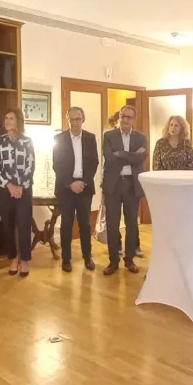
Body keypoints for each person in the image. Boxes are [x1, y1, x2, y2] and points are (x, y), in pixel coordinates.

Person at [102, 105, 147, 275]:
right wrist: (131, 156)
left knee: (131, 224)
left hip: (131, 185)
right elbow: (110, 158)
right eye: (122, 116)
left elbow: (141, 157)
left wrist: (120, 154)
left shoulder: (141, 138)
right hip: (113, 185)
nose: (125, 119)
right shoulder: (109, 136)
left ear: (134, 119)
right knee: (112, 224)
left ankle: (129, 259)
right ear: (118, 117)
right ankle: (113, 261)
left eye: (129, 117)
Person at [53, 107, 98, 273]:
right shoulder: (59, 139)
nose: (75, 122)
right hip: (66, 189)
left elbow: (94, 163)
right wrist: (70, 183)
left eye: (78, 119)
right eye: (72, 119)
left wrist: (83, 183)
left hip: (85, 188)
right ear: (68, 120)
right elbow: (56, 164)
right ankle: (66, 260)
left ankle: (88, 257)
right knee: (66, 224)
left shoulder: (91, 138)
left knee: (85, 224)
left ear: (83, 119)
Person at [0, 108, 35, 277]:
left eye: (11, 118)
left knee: (24, 224)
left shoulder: (27, 142)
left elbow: (30, 166)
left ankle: (25, 260)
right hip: (5, 189)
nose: (8, 121)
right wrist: (9, 186)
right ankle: (13, 258)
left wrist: (20, 186)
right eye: (6, 118)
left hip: (24, 189)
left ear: (18, 122)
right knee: (8, 225)